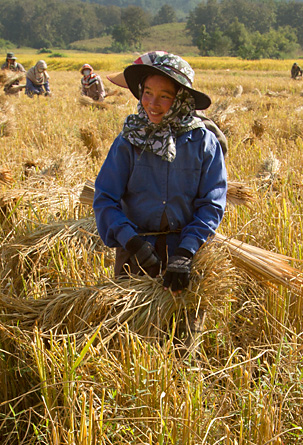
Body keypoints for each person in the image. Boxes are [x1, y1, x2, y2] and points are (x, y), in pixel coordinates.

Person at [92, 51, 227, 300]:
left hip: (187, 258)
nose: (153, 104)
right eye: (148, 93)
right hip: (134, 257)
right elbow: (105, 199)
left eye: (165, 96)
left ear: (181, 101)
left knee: (182, 331)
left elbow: (212, 203)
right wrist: (132, 242)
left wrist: (186, 252)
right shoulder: (128, 142)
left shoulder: (203, 142)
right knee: (131, 335)